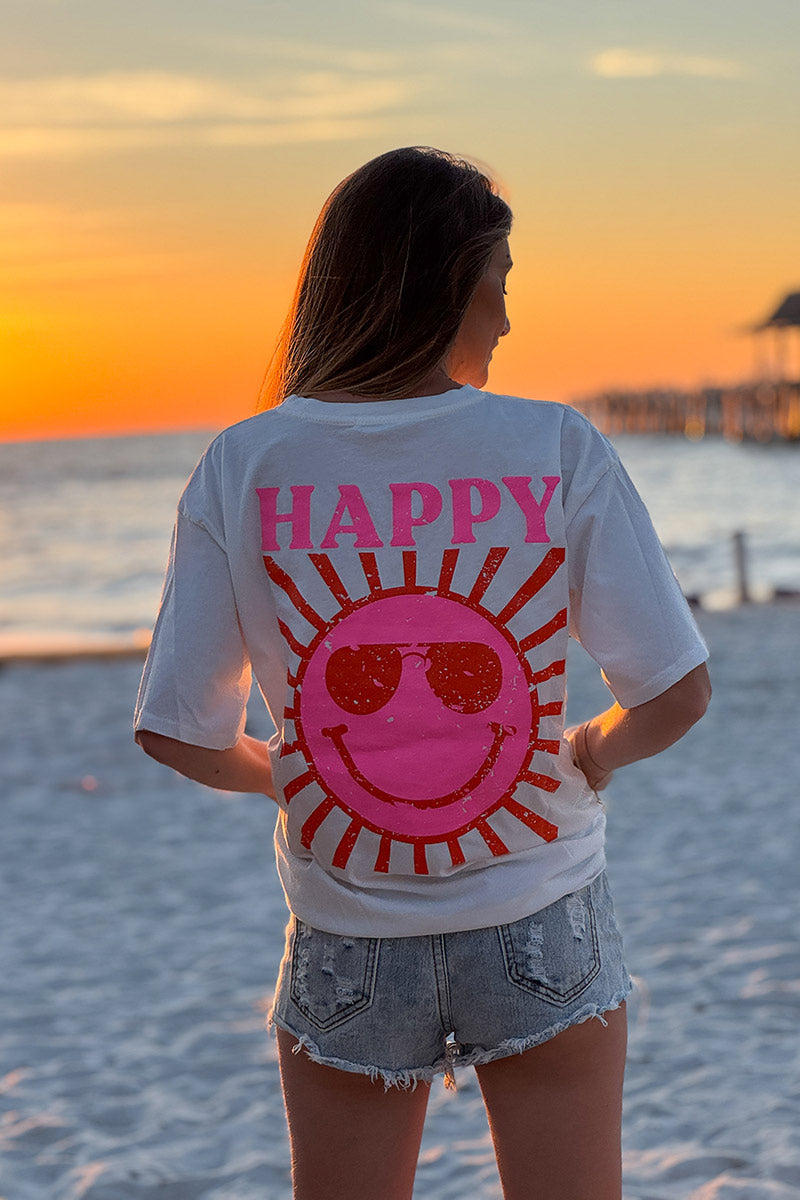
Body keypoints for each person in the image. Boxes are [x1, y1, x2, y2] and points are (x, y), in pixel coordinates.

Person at [135, 146, 711, 1200]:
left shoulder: (244, 463)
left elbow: (176, 728)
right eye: (499, 287)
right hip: (539, 909)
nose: (505, 320)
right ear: (449, 284)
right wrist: (588, 747)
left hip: (351, 933)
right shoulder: (553, 446)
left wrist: (294, 774)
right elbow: (675, 691)